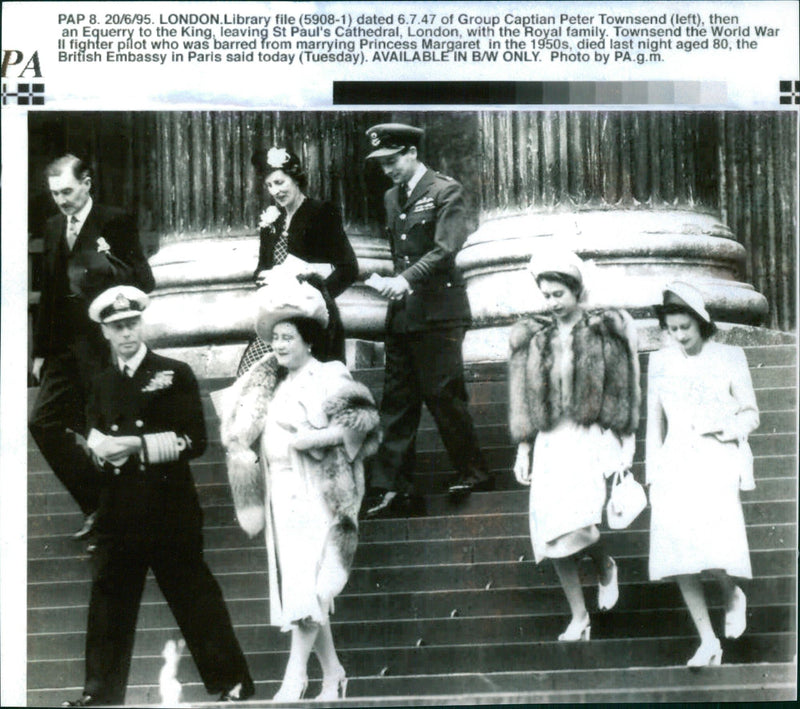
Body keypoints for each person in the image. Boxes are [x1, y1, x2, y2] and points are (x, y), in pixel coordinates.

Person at [62, 286, 254, 706]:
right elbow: (93, 435)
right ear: (106, 333)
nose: (126, 333)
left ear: (141, 324)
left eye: (132, 323)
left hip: (169, 505)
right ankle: (99, 693)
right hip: (118, 508)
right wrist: (97, 453)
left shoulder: (174, 372)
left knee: (194, 597)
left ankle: (232, 682)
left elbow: (195, 440)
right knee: (109, 603)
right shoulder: (100, 383)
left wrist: (136, 444)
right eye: (117, 327)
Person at [219, 275, 381, 701]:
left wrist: (308, 439)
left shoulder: (329, 374)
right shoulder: (271, 385)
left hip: (319, 491)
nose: (280, 346)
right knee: (301, 587)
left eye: (288, 337)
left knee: (311, 586)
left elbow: (362, 427)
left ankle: (295, 678)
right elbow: (240, 429)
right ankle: (333, 673)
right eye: (275, 339)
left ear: (308, 339)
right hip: (281, 494)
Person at [508, 250, 640, 642]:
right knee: (551, 533)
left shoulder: (603, 332)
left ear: (576, 290)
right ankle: (579, 615)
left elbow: (621, 389)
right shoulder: (538, 338)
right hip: (550, 440)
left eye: (558, 293)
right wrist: (523, 448)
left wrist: (623, 442)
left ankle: (605, 564)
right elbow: (527, 396)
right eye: (546, 295)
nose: (551, 302)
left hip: (588, 438)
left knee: (581, 525)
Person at [362, 123, 491, 519]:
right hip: (403, 314)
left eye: (393, 159)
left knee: (443, 394)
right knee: (397, 401)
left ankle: (474, 472)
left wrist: (403, 280)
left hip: (439, 312)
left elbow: (444, 249)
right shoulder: (390, 197)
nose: (388, 169)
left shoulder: (444, 191)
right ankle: (392, 488)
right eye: (382, 163)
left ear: (412, 152)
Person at [29, 154, 155, 540]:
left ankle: (126, 514)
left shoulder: (114, 220)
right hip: (63, 350)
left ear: (86, 183)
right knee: (43, 423)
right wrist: (40, 352)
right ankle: (96, 503)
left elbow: (144, 280)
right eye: (55, 194)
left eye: (67, 190)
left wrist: (106, 275)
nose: (62, 200)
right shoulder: (52, 227)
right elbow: (49, 294)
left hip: (102, 347)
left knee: (105, 428)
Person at [646, 281, 758, 667]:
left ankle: (730, 593)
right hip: (674, 461)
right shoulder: (659, 362)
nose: (679, 336)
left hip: (716, 458)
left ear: (702, 323)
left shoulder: (730, 356)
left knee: (712, 546)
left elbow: (750, 412)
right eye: (672, 329)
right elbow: (653, 423)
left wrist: (727, 428)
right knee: (679, 555)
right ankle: (708, 640)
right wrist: (652, 471)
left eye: (685, 328)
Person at [236, 146, 358, 375]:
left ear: (296, 179)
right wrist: (268, 279)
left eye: (280, 182)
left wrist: (318, 296)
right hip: (277, 319)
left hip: (313, 321)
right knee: (251, 375)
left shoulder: (321, 212)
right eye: (270, 185)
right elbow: (261, 270)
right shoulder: (272, 221)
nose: (275, 191)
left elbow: (349, 269)